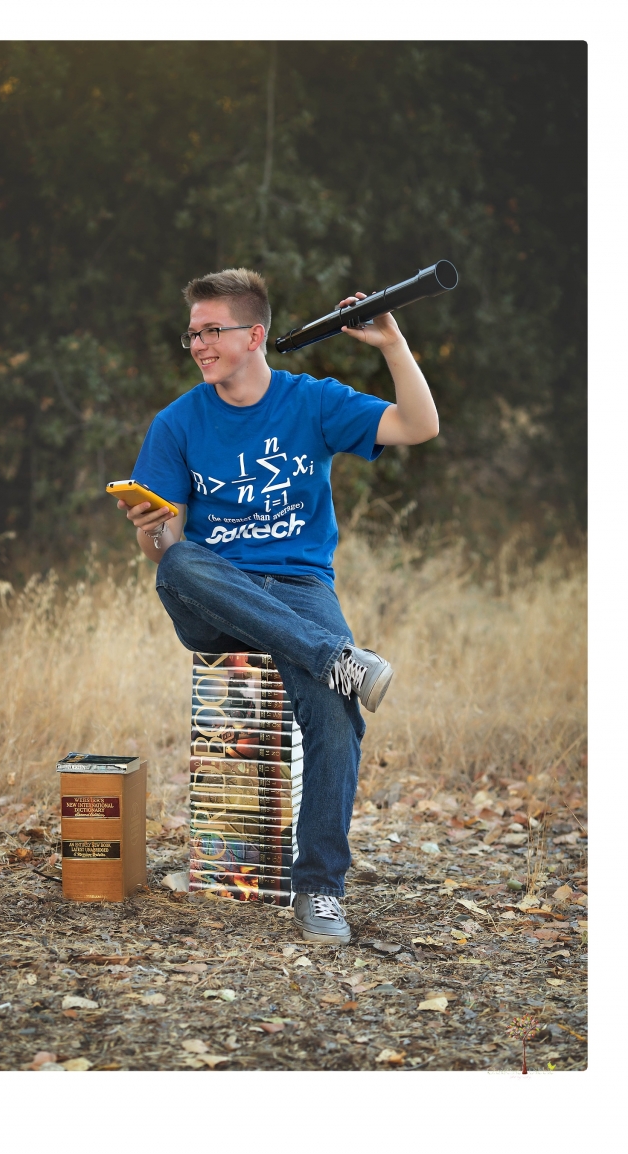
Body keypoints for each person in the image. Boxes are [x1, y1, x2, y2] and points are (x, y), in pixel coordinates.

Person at [118, 268, 439, 944]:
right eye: (193, 334)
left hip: (298, 591)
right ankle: (337, 658)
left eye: (212, 331)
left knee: (334, 707)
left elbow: (419, 425)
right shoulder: (177, 423)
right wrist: (154, 531)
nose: (199, 344)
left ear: (254, 334)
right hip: (214, 596)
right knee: (180, 562)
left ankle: (318, 888)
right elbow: (167, 553)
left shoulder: (312, 402)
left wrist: (390, 344)